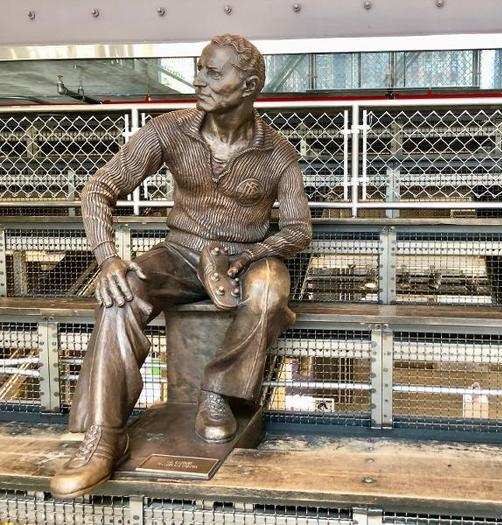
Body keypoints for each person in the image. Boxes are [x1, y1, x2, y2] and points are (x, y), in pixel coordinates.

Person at [50, 34, 312, 499]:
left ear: (249, 84)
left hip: (246, 255)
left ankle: (217, 394)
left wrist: (248, 257)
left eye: (213, 73)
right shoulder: (169, 130)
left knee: (270, 292)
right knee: (121, 294)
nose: (198, 81)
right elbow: (98, 189)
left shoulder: (278, 152)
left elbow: (297, 230)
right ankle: (104, 437)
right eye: (199, 68)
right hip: (180, 253)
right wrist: (107, 256)